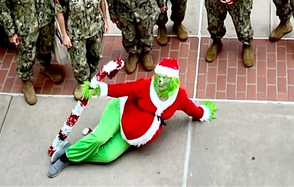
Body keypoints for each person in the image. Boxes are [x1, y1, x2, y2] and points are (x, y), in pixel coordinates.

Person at [48, 58, 215, 178]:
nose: (160, 82)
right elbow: (123, 89)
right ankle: (65, 157)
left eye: (164, 79)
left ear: (172, 82)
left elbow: (191, 109)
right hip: (119, 111)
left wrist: (203, 113)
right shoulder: (145, 85)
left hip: (129, 137)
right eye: (159, 77)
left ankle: (72, 151)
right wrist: (99, 89)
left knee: (107, 157)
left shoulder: (179, 97)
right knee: (99, 138)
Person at [56, 0, 108, 99]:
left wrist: (105, 20)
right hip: (76, 33)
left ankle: (91, 76)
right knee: (79, 61)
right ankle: (82, 81)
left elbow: (101, 0)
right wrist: (65, 35)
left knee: (96, 54)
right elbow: (59, 12)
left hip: (95, 28)